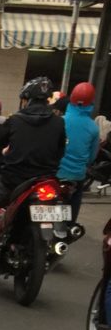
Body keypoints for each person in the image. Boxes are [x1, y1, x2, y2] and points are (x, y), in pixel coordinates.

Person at [0, 76, 66, 256]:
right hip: (46, 179)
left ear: (27, 99)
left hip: (14, 178)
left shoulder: (15, 120)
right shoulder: (59, 122)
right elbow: (60, 151)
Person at [57, 82, 101, 227]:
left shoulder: (60, 122)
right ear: (91, 103)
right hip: (76, 176)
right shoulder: (93, 128)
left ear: (71, 100)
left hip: (55, 173)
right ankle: (69, 225)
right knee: (75, 198)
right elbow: (91, 157)